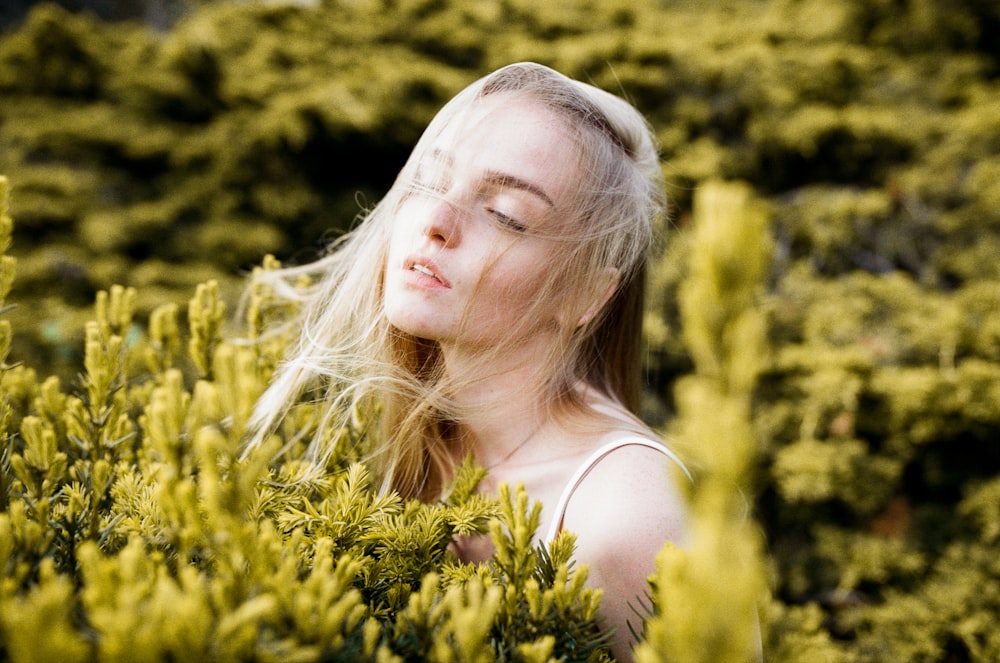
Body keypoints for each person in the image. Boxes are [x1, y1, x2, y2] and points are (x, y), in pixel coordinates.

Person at [244, 62, 690, 661]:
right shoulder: (406, 436)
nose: (434, 223)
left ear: (584, 293)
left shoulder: (629, 515)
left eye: (506, 214)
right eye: (429, 183)